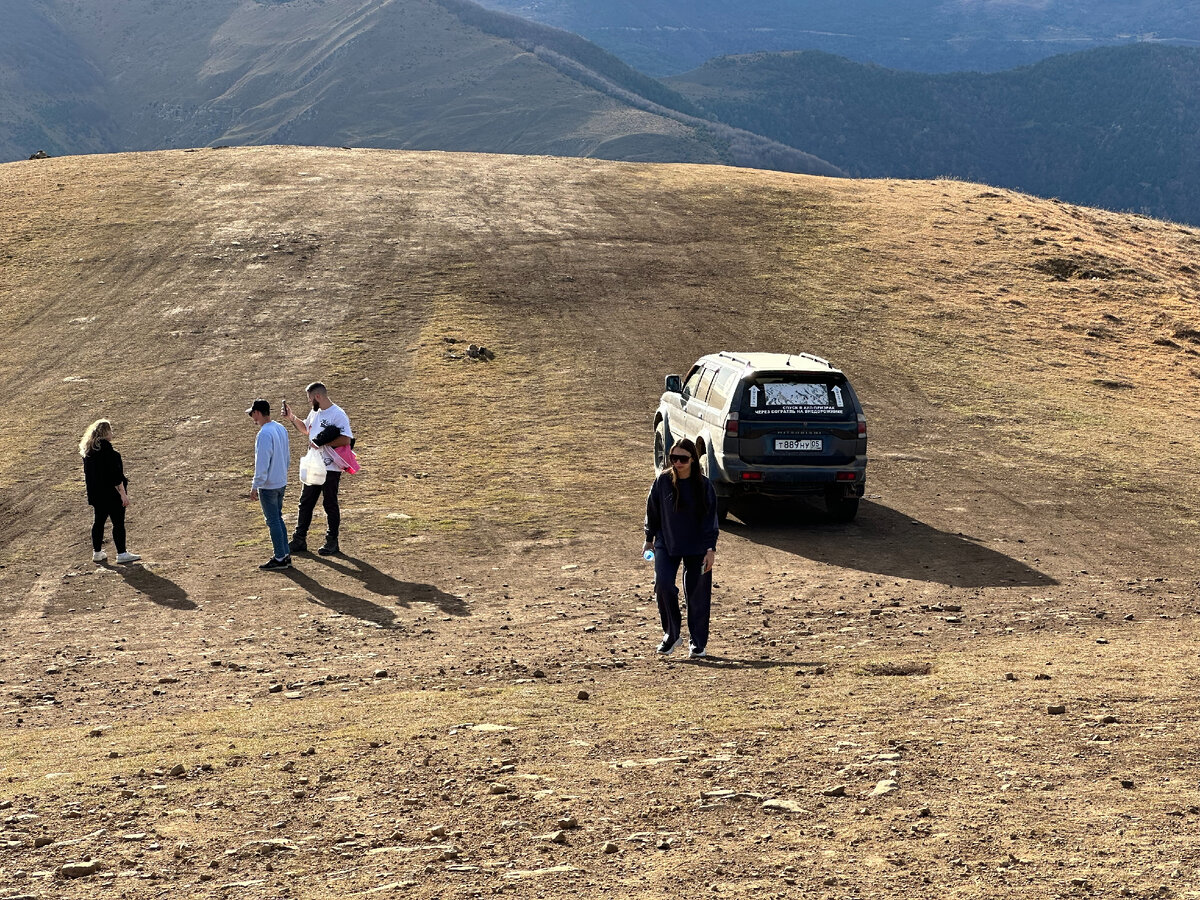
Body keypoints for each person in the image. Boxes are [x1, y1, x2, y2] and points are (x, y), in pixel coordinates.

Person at [643, 438, 719, 658]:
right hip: (666, 542)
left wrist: (710, 549)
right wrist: (649, 538)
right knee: (663, 585)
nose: (677, 463)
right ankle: (671, 634)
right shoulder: (662, 482)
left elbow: (710, 520)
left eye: (683, 458)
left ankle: (698, 643)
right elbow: (653, 511)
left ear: (693, 460)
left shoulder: (704, 486)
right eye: (673, 458)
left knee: (697, 594)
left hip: (697, 547)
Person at [283, 381, 353, 556]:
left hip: (330, 468)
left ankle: (332, 541)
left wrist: (323, 442)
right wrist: (292, 418)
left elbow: (346, 440)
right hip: (314, 465)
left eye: (309, 399)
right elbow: (306, 429)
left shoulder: (338, 414)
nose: (308, 402)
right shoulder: (315, 413)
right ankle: (299, 539)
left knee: (329, 503)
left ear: (317, 396)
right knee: (305, 502)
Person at [79, 419, 141, 565]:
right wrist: (123, 494)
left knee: (98, 522)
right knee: (118, 523)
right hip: (111, 494)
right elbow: (116, 476)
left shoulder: (88, 453)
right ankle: (121, 553)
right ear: (106, 433)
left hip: (96, 494)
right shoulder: (111, 453)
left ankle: (97, 552)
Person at [247, 399, 292, 571]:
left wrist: (255, 485)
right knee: (278, 518)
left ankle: (280, 557)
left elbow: (262, 462)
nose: (252, 418)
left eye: (252, 414)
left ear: (257, 413)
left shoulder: (264, 434)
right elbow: (287, 456)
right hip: (280, 481)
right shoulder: (280, 428)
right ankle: (285, 554)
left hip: (269, 484)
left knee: (272, 520)